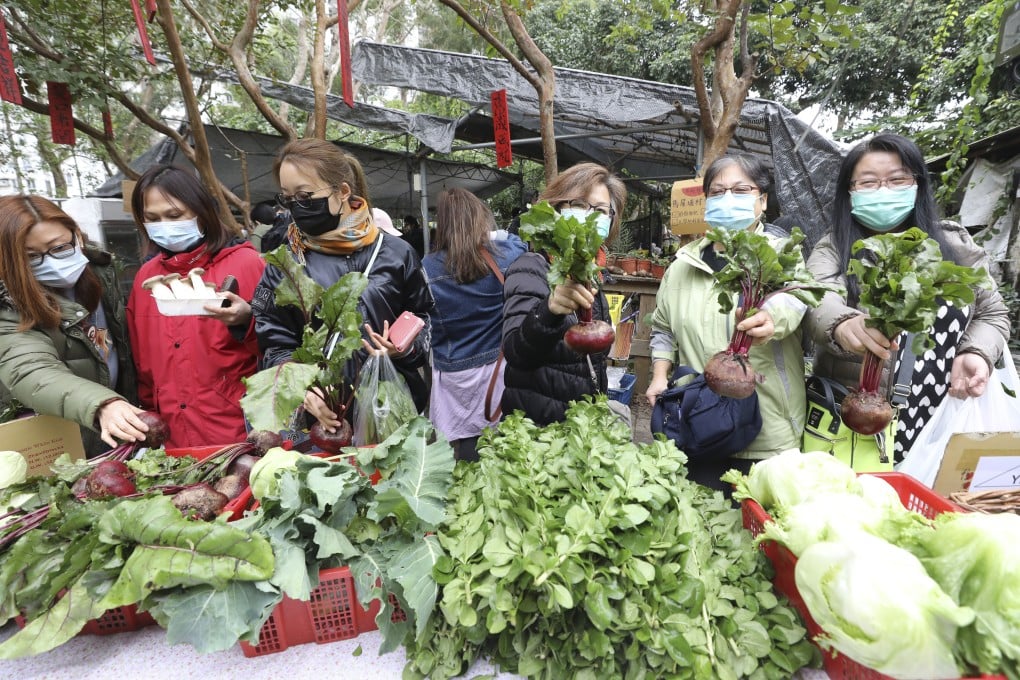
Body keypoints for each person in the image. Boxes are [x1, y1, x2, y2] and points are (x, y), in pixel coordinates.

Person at [805, 133, 1009, 458]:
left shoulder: (956, 247)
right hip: (857, 416)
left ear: (918, 185)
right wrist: (843, 323)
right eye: (868, 183)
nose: (884, 191)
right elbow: (816, 297)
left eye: (897, 180)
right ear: (850, 192)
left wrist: (976, 351)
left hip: (941, 412)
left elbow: (992, 314)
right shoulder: (834, 248)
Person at [645, 154, 809, 490]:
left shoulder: (783, 254)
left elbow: (794, 302)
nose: (728, 199)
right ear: (706, 204)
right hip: (700, 422)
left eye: (740, 190)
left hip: (768, 429)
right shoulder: (682, 265)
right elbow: (662, 328)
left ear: (762, 201)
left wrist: (768, 320)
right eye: (718, 192)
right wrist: (659, 376)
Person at [252, 139, 433, 436]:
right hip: (322, 426)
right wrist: (300, 390)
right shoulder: (286, 261)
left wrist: (404, 349)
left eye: (305, 196)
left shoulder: (396, 253)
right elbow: (274, 344)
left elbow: (427, 318)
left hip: (391, 411)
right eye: (288, 198)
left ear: (343, 191)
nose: (297, 207)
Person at [127, 165, 266, 448]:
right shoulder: (146, 277)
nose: (164, 225)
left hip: (238, 429)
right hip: (172, 434)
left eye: (174, 215)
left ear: (201, 212)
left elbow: (278, 345)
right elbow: (143, 363)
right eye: (152, 218)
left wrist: (246, 321)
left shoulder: (247, 264)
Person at [0, 195, 148, 457]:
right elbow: (31, 371)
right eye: (32, 257)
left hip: (116, 431)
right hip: (61, 442)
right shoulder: (8, 306)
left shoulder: (100, 272)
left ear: (75, 235)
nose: (52, 262)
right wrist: (101, 404)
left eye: (59, 248)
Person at [501, 162, 626, 425]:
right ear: (556, 208)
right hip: (539, 428)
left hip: (581, 424)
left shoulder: (592, 272)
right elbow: (515, 352)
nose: (590, 216)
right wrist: (549, 312)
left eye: (601, 210)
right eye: (579, 205)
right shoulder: (531, 267)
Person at [423, 188, 527, 461]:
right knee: (499, 440)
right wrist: (494, 236)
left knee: (466, 440)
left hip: (452, 371)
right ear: (480, 219)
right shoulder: (506, 255)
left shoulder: (426, 267)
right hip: (496, 367)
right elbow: (519, 241)